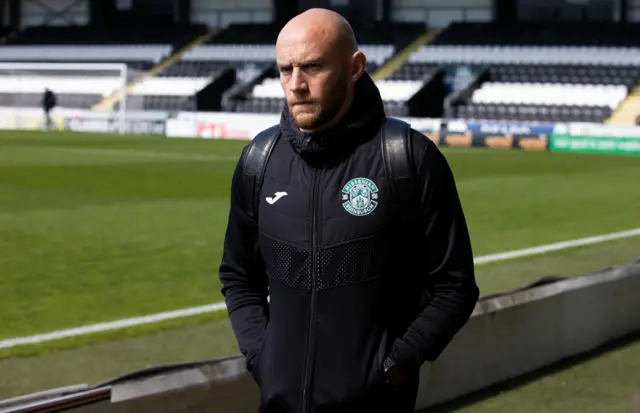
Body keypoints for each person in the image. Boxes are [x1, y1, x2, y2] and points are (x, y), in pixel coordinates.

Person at [218, 8, 479, 413]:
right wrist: (261, 356)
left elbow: (455, 287)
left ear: (355, 67)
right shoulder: (259, 160)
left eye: (313, 67)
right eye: (285, 70)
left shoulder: (406, 158)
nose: (296, 85)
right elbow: (238, 275)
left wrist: (396, 366)